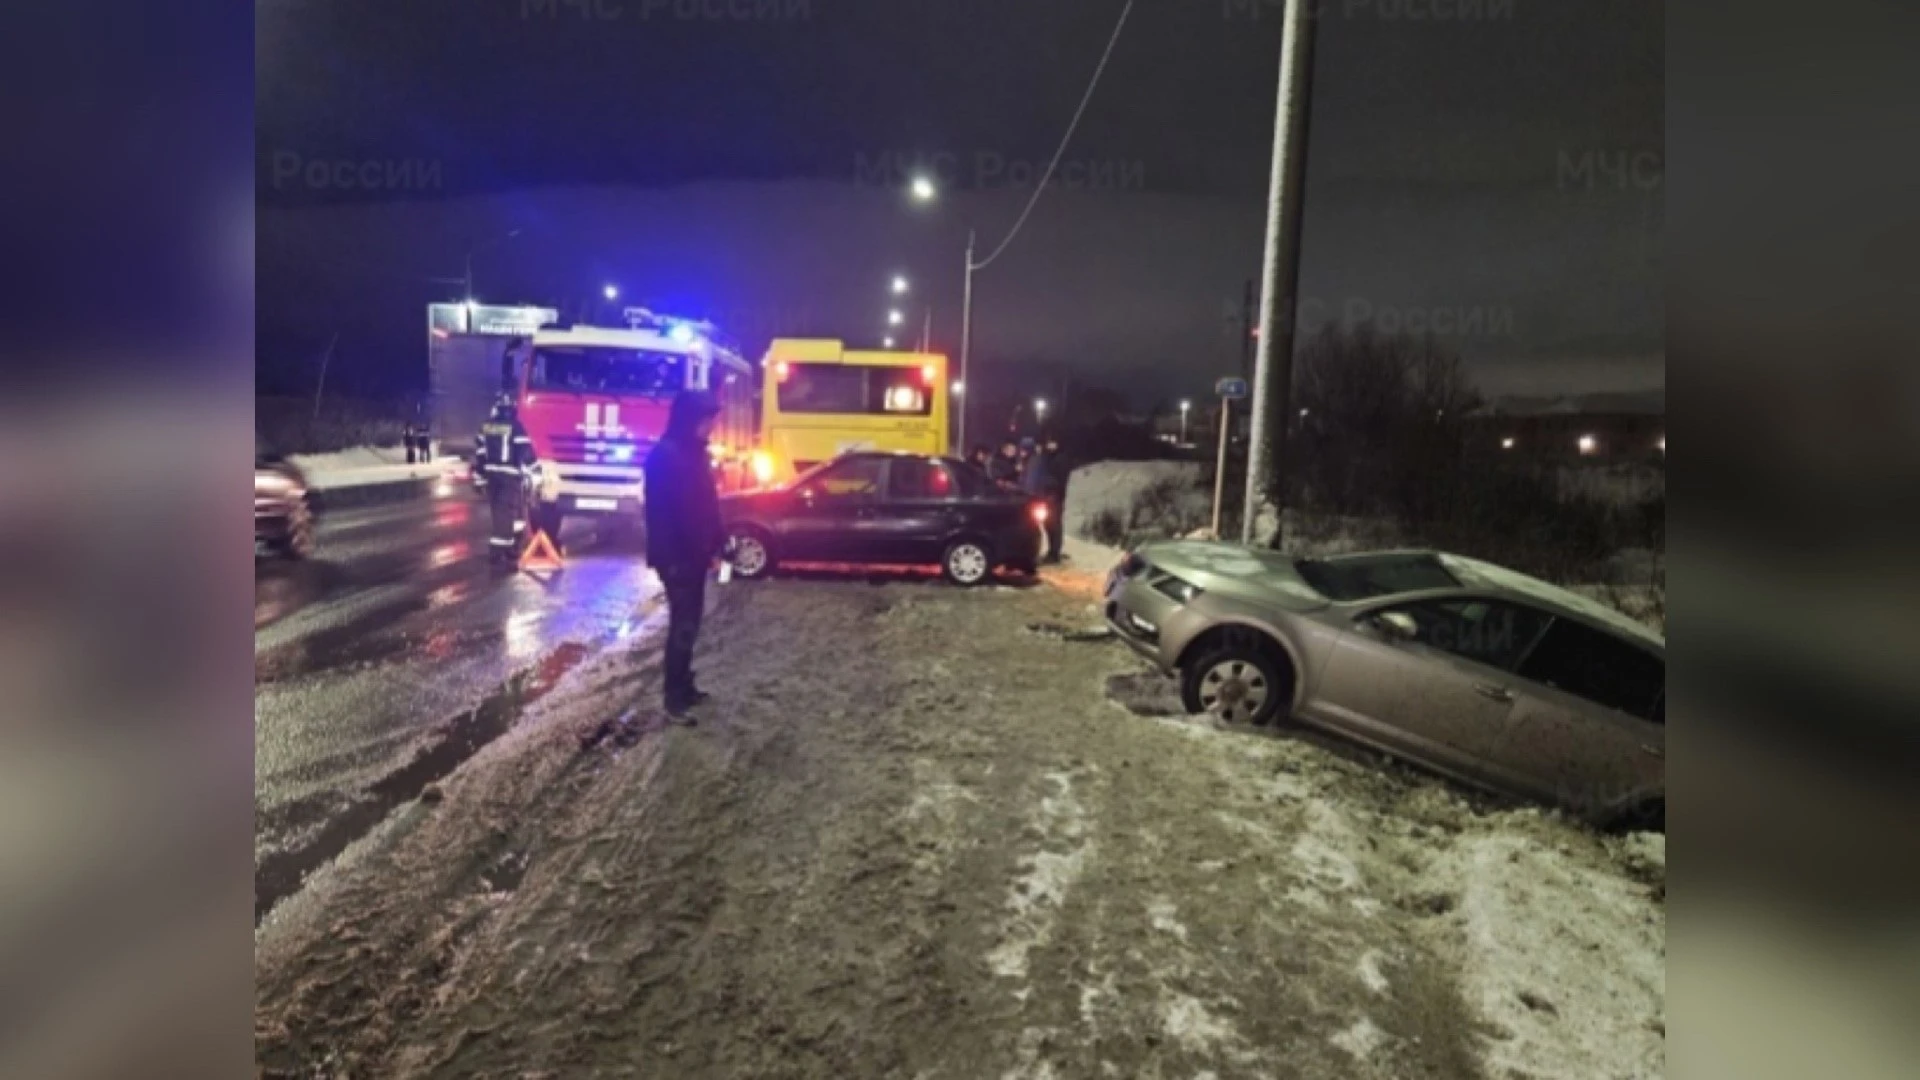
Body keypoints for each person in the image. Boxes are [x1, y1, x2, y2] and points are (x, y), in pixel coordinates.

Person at [643, 390, 726, 722]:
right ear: (689, 420)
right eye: (705, 421)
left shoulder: (694, 454)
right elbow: (663, 516)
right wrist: (673, 559)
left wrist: (718, 541)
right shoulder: (666, 457)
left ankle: (684, 685)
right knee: (683, 625)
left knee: (690, 624)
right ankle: (673, 698)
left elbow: (707, 505)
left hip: (695, 556)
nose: (710, 428)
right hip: (676, 557)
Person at [478, 395, 537, 566]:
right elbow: (525, 451)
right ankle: (499, 551)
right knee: (506, 514)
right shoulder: (515, 426)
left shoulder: (486, 427)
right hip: (509, 476)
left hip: (491, 476)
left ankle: (513, 546)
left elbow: (480, 454)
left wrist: (480, 478)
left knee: (501, 513)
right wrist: (536, 470)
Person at [1022, 431, 1068, 563]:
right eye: (1048, 443)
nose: (1050, 445)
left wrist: (1052, 491)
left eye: (1052, 443)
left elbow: (1059, 479)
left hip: (1054, 497)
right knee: (1048, 525)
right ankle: (1051, 552)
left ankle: (1054, 553)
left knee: (1054, 525)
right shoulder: (1045, 457)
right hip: (1045, 496)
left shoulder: (1060, 458)